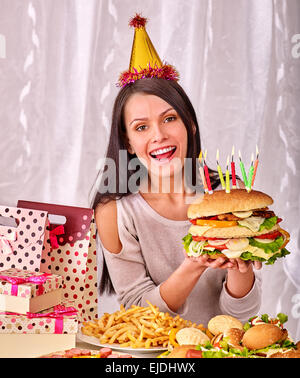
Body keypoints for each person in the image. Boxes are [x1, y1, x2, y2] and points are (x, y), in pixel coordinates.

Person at [91, 15, 261, 325]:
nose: (158, 135)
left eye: (169, 119)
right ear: (128, 142)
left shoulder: (228, 194)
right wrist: (193, 265)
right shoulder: (115, 212)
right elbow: (137, 313)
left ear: (190, 125)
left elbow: (243, 313)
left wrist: (243, 267)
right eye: (141, 127)